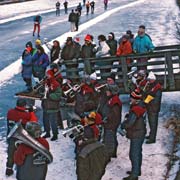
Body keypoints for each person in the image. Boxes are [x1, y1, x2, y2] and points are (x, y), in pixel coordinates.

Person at [5, 99, 37, 176]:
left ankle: (9, 169)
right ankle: (22, 169)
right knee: (22, 153)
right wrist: (31, 111)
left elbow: (16, 114)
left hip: (11, 135)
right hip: (22, 137)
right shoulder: (26, 115)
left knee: (11, 153)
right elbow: (34, 121)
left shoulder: (10, 112)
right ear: (24, 105)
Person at [121, 90, 146, 180]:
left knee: (134, 154)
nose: (130, 99)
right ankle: (137, 170)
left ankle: (134, 175)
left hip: (137, 133)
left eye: (131, 98)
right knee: (138, 152)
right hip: (140, 132)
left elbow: (130, 123)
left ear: (136, 99)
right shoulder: (140, 106)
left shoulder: (136, 109)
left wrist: (123, 125)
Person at [98, 82, 122, 160]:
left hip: (111, 124)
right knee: (112, 138)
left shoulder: (115, 101)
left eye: (108, 91)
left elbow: (114, 115)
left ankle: (108, 156)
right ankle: (113, 153)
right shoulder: (111, 99)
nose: (106, 92)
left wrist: (106, 118)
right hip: (109, 123)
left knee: (109, 140)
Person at [42, 69, 62, 141]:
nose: (47, 76)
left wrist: (49, 95)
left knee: (53, 121)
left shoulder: (56, 84)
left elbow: (58, 95)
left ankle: (55, 134)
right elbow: (43, 91)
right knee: (45, 120)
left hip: (52, 106)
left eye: (48, 75)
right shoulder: (46, 83)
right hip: (46, 105)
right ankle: (47, 132)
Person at [143, 71, 162, 144]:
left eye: (150, 80)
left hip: (154, 108)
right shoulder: (152, 86)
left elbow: (155, 99)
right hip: (151, 107)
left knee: (153, 123)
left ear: (153, 79)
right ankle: (151, 135)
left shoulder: (157, 88)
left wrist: (147, 101)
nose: (149, 81)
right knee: (151, 123)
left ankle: (152, 138)